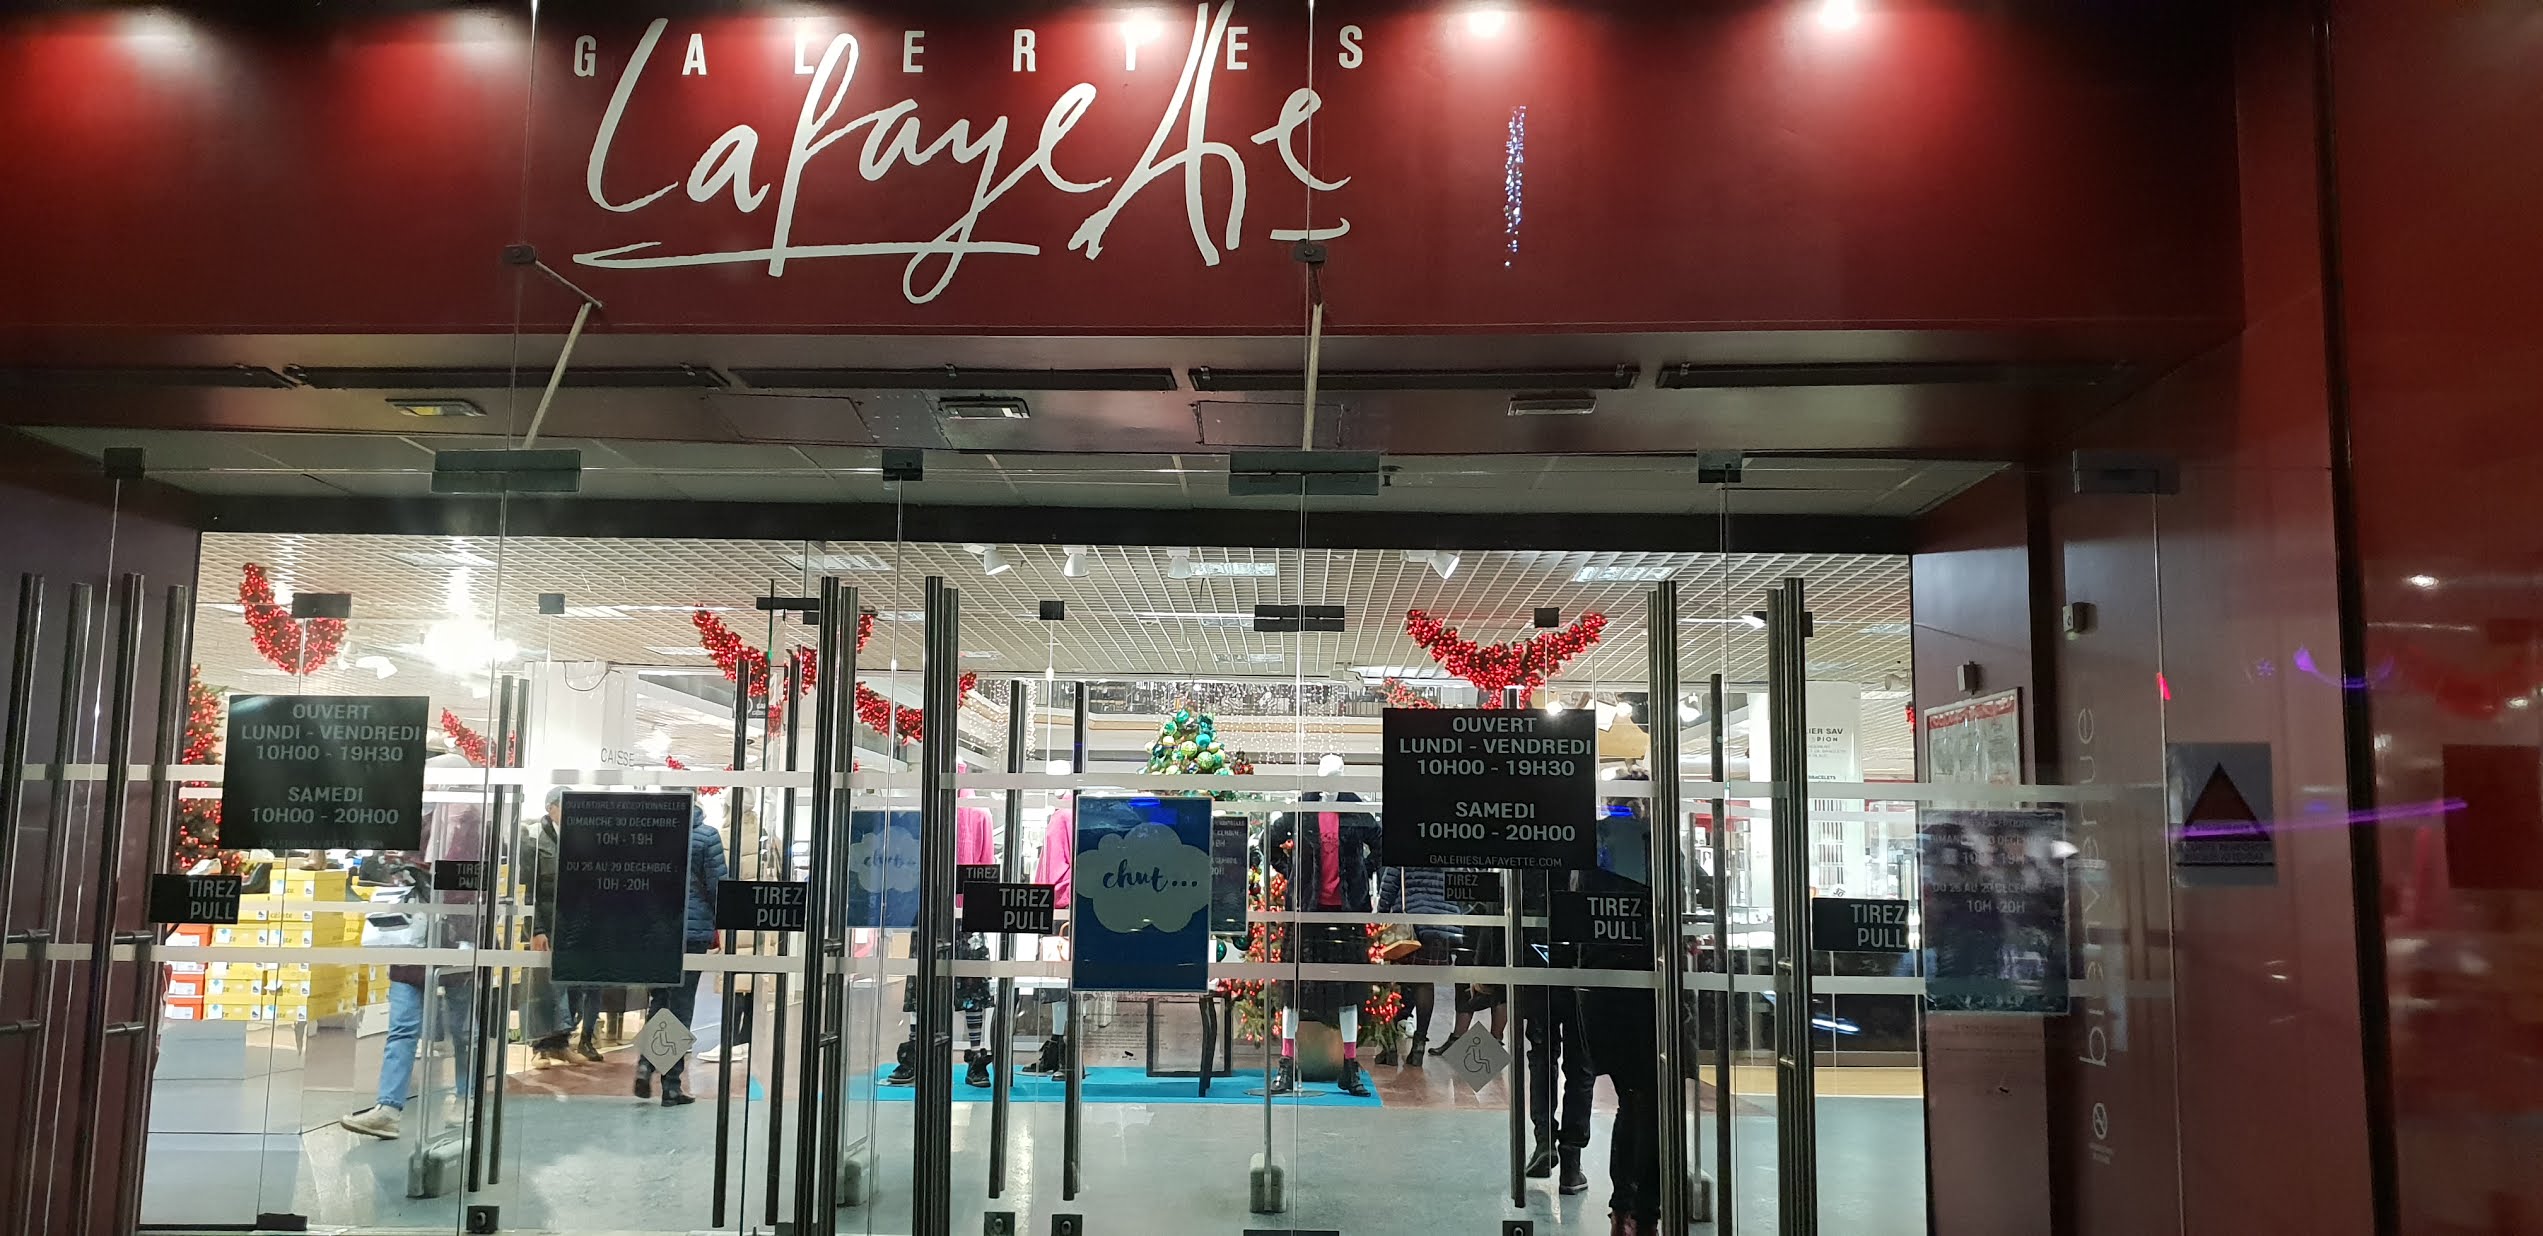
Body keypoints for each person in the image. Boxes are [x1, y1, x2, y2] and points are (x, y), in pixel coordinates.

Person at [341, 799, 482, 1139]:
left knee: (463, 1031)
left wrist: (424, 876)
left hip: (457, 937)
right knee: (403, 1027)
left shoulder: (475, 827)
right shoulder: (418, 823)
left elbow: (471, 883)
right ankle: (388, 1108)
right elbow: (396, 874)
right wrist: (400, 871)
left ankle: (466, 1098)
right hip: (414, 937)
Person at [1265, 784, 1381, 1098]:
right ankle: (1286, 1064)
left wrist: (1361, 872)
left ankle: (1350, 1066)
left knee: (1348, 993)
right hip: (1307, 912)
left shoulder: (1353, 807)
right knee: (1293, 992)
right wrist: (1292, 872)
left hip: (1345, 913)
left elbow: (1380, 844)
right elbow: (1270, 842)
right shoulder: (1303, 806)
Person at [634, 801, 729, 1108]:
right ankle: (671, 1085)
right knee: (681, 1005)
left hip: (655, 930)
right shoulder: (707, 836)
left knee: (660, 998)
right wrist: (722, 924)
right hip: (691, 931)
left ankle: (645, 1064)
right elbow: (718, 887)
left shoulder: (653, 834)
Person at [1376, 863, 1459, 1064]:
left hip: (1409, 926)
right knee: (1425, 983)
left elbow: (1390, 883)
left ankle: (1390, 1046)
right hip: (1440, 924)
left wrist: (1380, 915)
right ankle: (1419, 1045)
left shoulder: (1405, 848)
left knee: (1393, 982)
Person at [522, 788, 579, 1069]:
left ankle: (561, 1044)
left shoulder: (579, 839)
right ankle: (540, 1048)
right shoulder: (534, 839)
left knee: (569, 986)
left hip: (572, 925)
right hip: (546, 924)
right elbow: (526, 890)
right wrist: (536, 929)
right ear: (551, 808)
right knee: (543, 988)